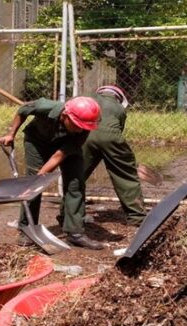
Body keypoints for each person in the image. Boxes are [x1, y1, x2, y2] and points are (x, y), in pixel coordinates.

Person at [0, 96, 105, 250]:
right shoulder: (45, 106)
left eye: (83, 127)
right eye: (76, 125)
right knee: (33, 185)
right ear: (66, 115)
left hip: (65, 147)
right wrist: (11, 134)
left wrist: (41, 176)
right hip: (37, 142)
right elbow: (23, 110)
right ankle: (26, 229)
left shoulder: (84, 128)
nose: (80, 129)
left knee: (76, 183)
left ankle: (75, 233)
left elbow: (58, 156)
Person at [59, 85, 147, 226]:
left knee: (76, 175)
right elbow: (118, 130)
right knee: (125, 175)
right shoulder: (119, 109)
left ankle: (66, 216)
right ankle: (137, 217)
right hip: (111, 138)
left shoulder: (87, 97)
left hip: (84, 135)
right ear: (118, 98)